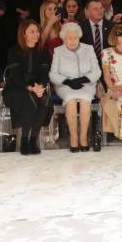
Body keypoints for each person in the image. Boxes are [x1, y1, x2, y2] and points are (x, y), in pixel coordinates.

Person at [49, 22, 102, 152]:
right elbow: (53, 74)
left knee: (85, 100)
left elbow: (97, 71)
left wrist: (83, 79)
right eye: (69, 38)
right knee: (71, 99)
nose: (72, 41)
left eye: (75, 38)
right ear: (64, 39)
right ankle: (73, 137)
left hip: (86, 84)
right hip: (65, 85)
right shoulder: (58, 51)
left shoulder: (88, 49)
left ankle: (83, 137)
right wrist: (68, 82)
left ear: (79, 37)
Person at [2, 20, 52, 155]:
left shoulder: (44, 52)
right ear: (23, 34)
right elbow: (16, 75)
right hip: (16, 88)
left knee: (45, 100)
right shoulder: (13, 51)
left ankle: (32, 140)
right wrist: (30, 88)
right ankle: (24, 139)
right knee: (30, 100)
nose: (37, 34)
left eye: (37, 31)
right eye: (32, 31)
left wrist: (40, 86)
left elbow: (44, 72)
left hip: (36, 87)